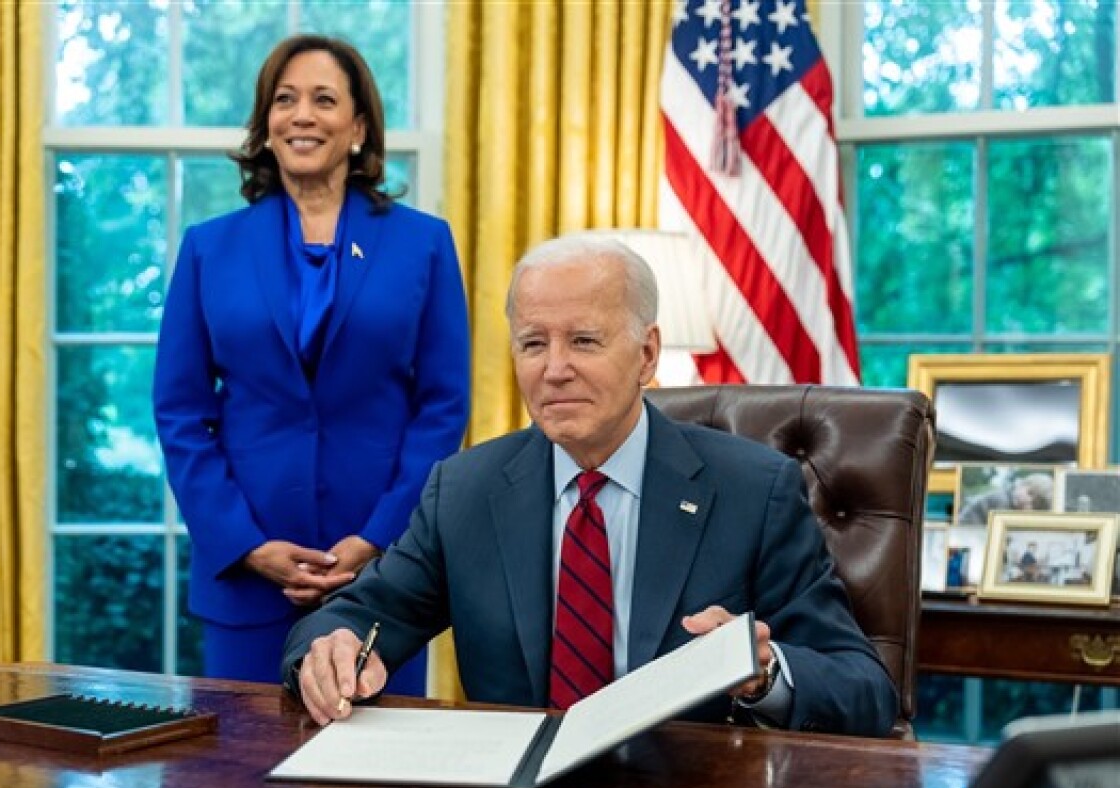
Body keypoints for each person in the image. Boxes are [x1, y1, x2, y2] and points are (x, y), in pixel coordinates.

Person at [282, 234, 898, 737]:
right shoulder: (465, 489)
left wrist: (764, 673)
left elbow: (864, 687)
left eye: (583, 341)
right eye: (533, 344)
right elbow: (355, 616)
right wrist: (328, 650)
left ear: (647, 355)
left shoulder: (752, 491)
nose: (555, 369)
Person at [153, 34, 470, 691]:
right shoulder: (209, 248)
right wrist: (245, 543)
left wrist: (379, 537)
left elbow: (443, 407)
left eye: (324, 100)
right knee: (244, 755)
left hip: (382, 574)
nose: (302, 115)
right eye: (285, 99)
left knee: (377, 755)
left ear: (358, 128)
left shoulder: (424, 243)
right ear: (266, 125)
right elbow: (180, 411)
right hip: (247, 577)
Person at [956, 472, 1053, 525]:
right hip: (967, 524)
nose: (1027, 500)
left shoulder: (1013, 505)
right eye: (1029, 493)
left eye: (1033, 504)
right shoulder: (1002, 500)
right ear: (1020, 485)